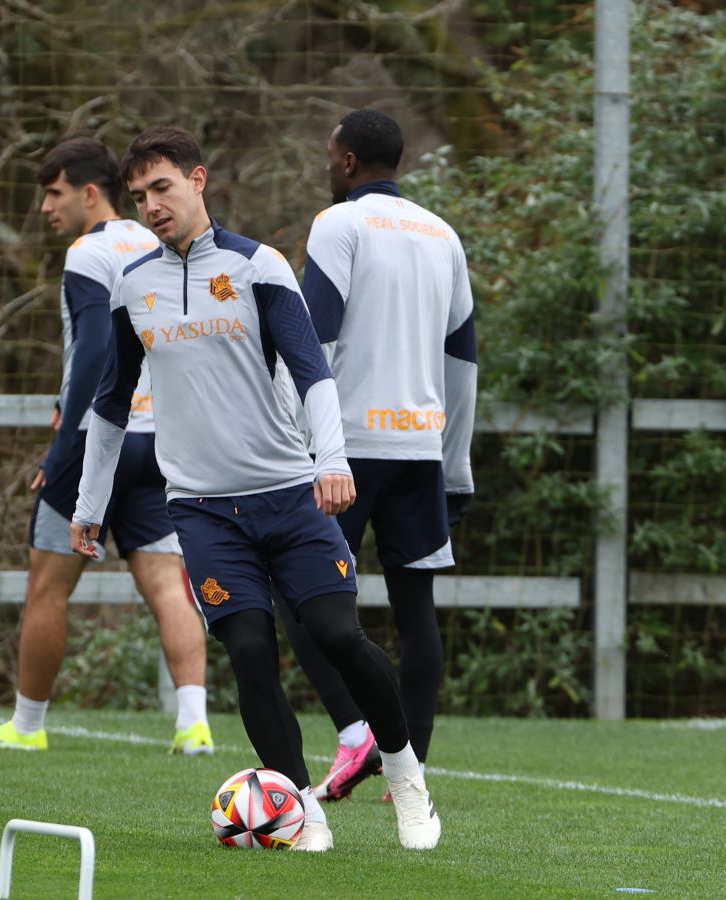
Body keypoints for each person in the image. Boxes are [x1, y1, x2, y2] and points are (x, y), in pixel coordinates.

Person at [70, 125, 441, 851]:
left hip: (288, 494)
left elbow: (313, 373)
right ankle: (299, 809)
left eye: (163, 188)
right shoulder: (131, 284)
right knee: (247, 650)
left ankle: (405, 779)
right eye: (139, 195)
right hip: (202, 512)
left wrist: (332, 463)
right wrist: (89, 506)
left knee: (337, 634)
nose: (151, 205)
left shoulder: (258, 268)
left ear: (198, 180)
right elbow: (110, 403)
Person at [0, 137, 212, 756]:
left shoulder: (86, 252)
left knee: (47, 585)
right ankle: (194, 723)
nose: (46, 207)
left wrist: (62, 447)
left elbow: (98, 351)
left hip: (100, 441)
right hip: (159, 439)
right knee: (164, 581)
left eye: (54, 193)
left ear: (89, 193)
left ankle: (26, 727)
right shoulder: (159, 243)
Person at [287, 109, 477, 802]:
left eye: (327, 150)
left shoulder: (337, 224)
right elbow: (463, 360)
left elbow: (313, 342)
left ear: (345, 163)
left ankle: (355, 729)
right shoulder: (442, 234)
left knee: (300, 594)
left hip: (346, 447)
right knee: (415, 608)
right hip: (420, 449)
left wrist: (304, 444)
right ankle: (409, 773)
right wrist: (454, 464)